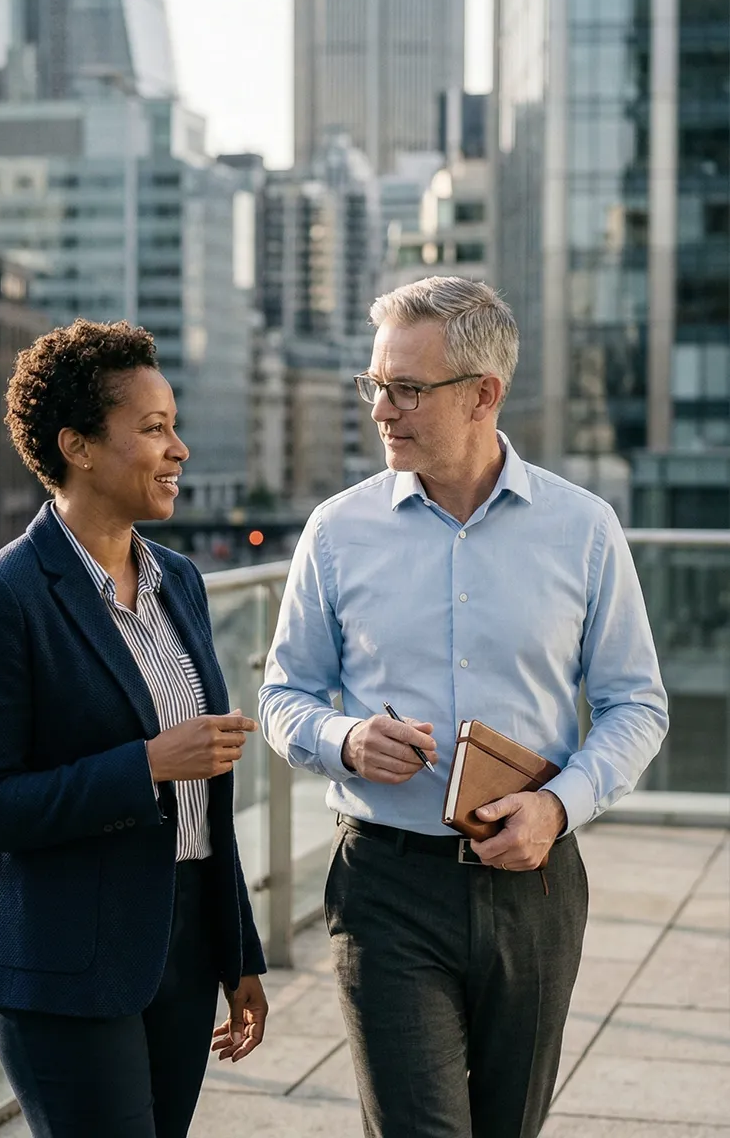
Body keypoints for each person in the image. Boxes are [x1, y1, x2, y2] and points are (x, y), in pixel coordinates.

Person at [259, 277, 668, 1138]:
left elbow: (638, 705)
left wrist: (558, 805)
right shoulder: (336, 533)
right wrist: (343, 738)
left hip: (535, 883)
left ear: (484, 394)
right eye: (375, 384)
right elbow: (282, 696)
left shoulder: (585, 529)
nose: (382, 410)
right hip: (385, 885)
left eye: (406, 388)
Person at [0, 318, 268, 1138]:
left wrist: (238, 953)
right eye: (153, 429)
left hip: (183, 940)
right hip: (63, 962)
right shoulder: (1, 598)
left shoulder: (178, 582)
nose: (178, 449)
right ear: (78, 447)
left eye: (175, 425)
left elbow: (205, 806)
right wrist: (147, 763)